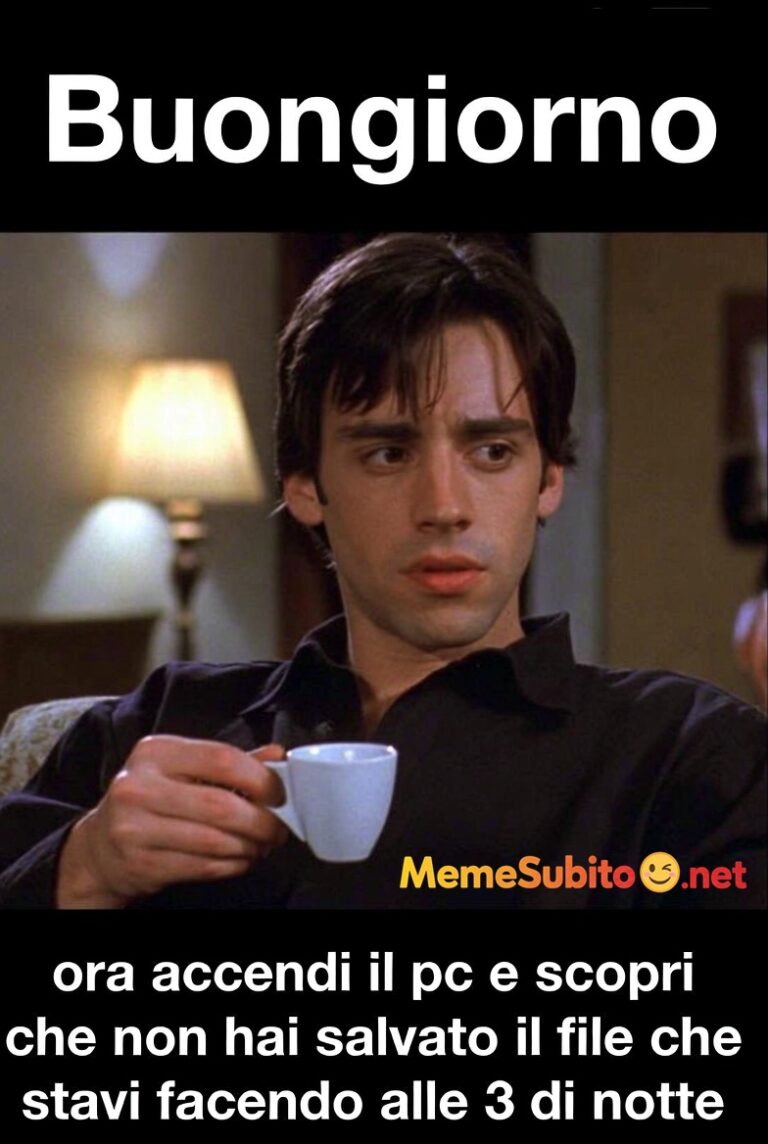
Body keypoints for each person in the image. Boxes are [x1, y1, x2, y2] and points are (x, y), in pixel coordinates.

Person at [0, 234, 764, 909]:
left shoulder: (685, 754)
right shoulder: (159, 727)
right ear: (306, 485)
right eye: (389, 453)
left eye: (492, 451)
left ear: (548, 480)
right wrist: (83, 872)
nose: (445, 507)